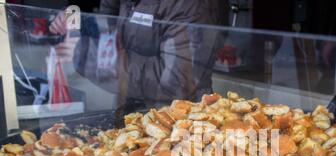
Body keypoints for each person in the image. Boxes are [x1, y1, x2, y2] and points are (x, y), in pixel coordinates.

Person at [50, 0, 228, 114]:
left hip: (178, 126)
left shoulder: (193, 5)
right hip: (132, 116)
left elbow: (176, 82)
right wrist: (76, 22)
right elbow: (110, 30)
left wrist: (87, 53)